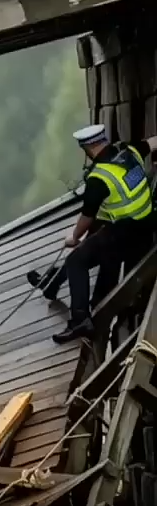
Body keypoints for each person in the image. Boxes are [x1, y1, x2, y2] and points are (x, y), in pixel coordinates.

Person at [48, 125, 156, 345]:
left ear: (88, 148)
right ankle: (94, 305)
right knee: (102, 251)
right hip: (147, 227)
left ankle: (80, 320)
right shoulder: (129, 151)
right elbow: (153, 142)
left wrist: (73, 237)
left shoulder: (99, 178)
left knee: (75, 261)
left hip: (127, 234)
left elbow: (87, 217)